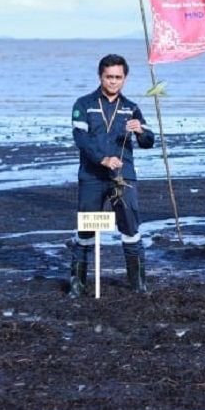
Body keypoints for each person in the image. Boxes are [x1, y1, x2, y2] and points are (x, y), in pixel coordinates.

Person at [70, 54, 155, 297]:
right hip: (92, 176)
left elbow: (149, 142)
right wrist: (102, 159)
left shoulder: (132, 108)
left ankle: (138, 285)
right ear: (100, 77)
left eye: (118, 77)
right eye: (109, 77)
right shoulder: (83, 104)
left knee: (130, 227)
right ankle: (77, 285)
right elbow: (81, 139)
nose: (113, 82)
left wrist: (140, 131)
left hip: (124, 176)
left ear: (125, 79)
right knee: (85, 230)